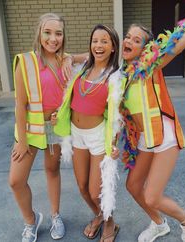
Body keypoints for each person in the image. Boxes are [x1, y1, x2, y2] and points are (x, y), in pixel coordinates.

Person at [119, 3, 185, 242]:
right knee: (133, 186)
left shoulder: (150, 66)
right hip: (146, 138)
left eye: (137, 40)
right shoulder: (123, 77)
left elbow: (176, 46)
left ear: (146, 49)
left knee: (152, 197)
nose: (129, 41)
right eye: (128, 37)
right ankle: (159, 224)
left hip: (164, 135)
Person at [8, 13, 86, 242]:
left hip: (56, 126)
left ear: (63, 36)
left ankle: (55, 216)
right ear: (39, 34)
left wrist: (71, 59)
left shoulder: (64, 59)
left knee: (52, 171)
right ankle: (31, 221)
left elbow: (90, 55)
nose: (53, 39)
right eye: (48, 33)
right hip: (30, 130)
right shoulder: (25, 61)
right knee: (15, 180)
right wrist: (22, 141)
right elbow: (20, 106)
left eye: (58, 34)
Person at [53, 24, 122, 242]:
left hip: (98, 136)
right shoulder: (83, 67)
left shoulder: (116, 76)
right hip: (76, 134)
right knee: (82, 187)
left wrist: (114, 141)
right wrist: (70, 58)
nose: (98, 45)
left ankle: (110, 222)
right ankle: (100, 216)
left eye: (104, 41)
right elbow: (71, 62)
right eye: (95, 41)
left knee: (95, 191)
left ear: (113, 47)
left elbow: (117, 114)